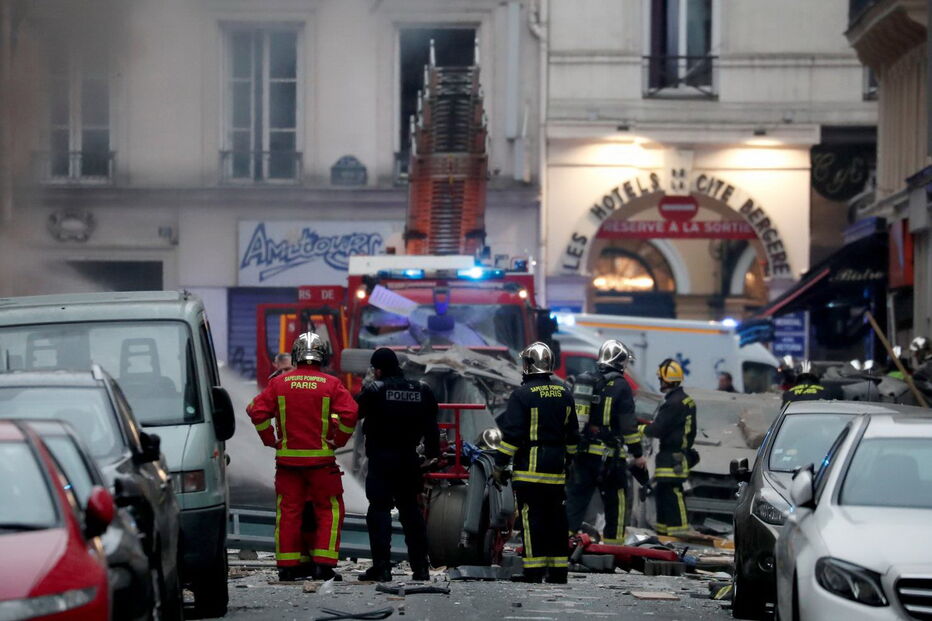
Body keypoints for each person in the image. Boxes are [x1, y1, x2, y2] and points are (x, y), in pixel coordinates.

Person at [247, 332, 359, 581]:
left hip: (287, 463)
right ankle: (324, 565)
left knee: (288, 512)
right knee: (329, 510)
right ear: (322, 356)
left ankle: (287, 566)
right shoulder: (331, 384)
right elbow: (351, 414)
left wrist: (270, 440)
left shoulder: (279, 383)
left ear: (296, 355)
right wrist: (338, 440)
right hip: (321, 463)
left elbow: (255, 411)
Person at [493, 342, 579, 584]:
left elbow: (512, 436)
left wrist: (500, 465)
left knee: (532, 519)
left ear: (529, 365)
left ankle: (534, 571)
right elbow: (573, 436)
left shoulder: (522, 395)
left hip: (530, 470)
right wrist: (568, 461)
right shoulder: (565, 393)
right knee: (557, 520)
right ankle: (558, 572)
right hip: (556, 470)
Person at [356, 348, 440, 582]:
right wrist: (433, 454)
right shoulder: (421, 389)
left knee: (379, 511)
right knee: (411, 512)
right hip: (408, 460)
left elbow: (353, 411)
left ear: (379, 369)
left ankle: (382, 568)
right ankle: (421, 569)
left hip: (382, 459)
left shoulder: (375, 389)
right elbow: (432, 427)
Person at [566, 339, 643, 544]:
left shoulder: (586, 380)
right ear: (621, 362)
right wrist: (638, 454)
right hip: (611, 459)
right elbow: (629, 427)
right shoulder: (621, 386)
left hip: (584, 455)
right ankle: (613, 546)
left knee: (576, 500)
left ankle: (564, 543)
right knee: (616, 502)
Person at [640, 359, 696, 537]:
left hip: (672, 456)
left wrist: (639, 428)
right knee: (664, 493)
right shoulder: (682, 400)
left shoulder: (674, 402)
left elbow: (657, 429)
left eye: (661, 379)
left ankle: (679, 532)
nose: (659, 383)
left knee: (672, 492)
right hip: (674, 455)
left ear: (667, 380)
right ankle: (665, 535)